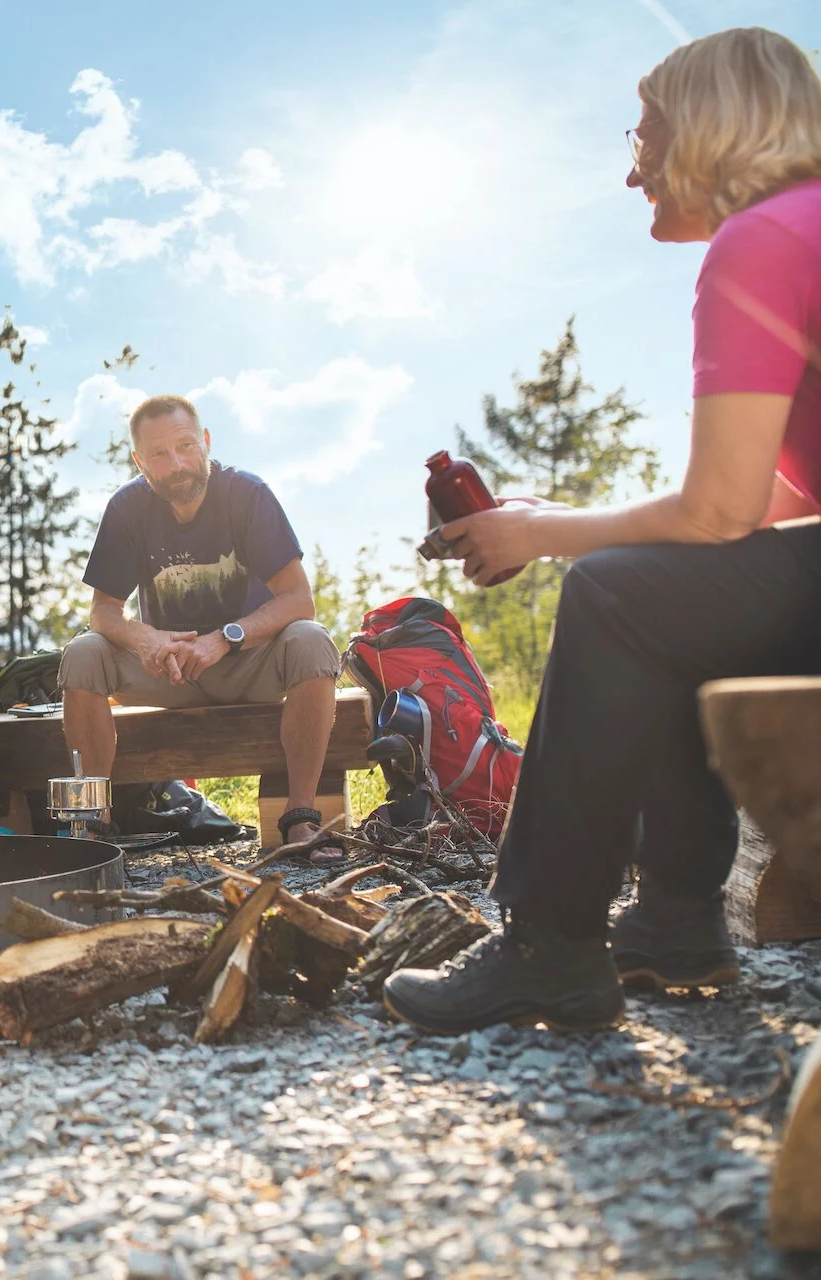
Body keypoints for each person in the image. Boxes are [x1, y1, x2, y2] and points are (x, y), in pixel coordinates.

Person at [385, 27, 821, 1034]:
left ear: (711, 129)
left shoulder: (766, 238)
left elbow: (719, 510)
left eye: (647, 136)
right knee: (661, 587)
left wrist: (543, 534)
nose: (635, 171)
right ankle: (672, 920)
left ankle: (551, 941)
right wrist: (556, 521)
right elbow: (755, 519)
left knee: (620, 593)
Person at [60, 394, 346, 861]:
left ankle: (301, 819)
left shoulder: (248, 494)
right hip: (167, 671)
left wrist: (226, 639)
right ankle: (93, 824)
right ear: (140, 461)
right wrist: (144, 638)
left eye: (186, 446)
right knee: (83, 652)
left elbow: (300, 599)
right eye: (159, 454)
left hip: (248, 663)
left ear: (207, 442)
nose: (177, 464)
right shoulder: (128, 508)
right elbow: (103, 611)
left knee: (312, 641)